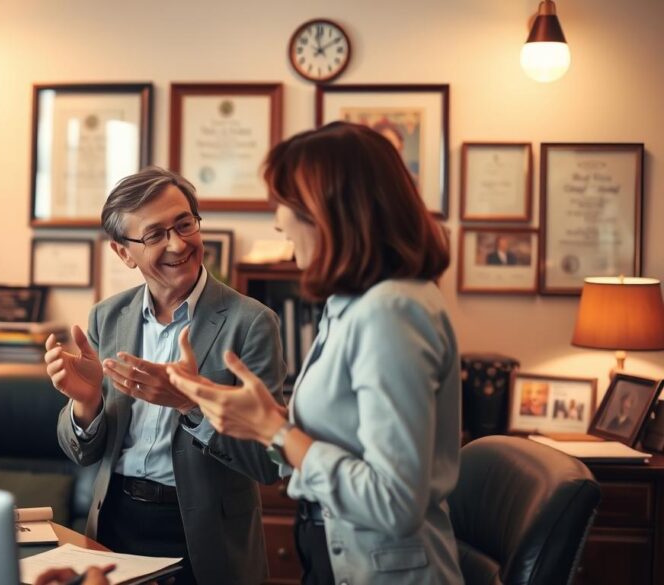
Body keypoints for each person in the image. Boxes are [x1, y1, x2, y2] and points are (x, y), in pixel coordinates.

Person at [168, 122, 464, 584]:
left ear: (330, 212)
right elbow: (329, 438)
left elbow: (394, 503)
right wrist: (222, 406)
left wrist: (275, 428)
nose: (277, 220)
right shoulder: (351, 304)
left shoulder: (391, 312)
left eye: (285, 202)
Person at [45, 166, 285, 584]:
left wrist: (191, 406)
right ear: (123, 252)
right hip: (116, 523)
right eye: (155, 235)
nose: (178, 244)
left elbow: (268, 463)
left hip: (205, 536)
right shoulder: (108, 316)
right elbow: (83, 453)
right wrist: (87, 403)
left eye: (185, 224)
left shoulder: (252, 322)